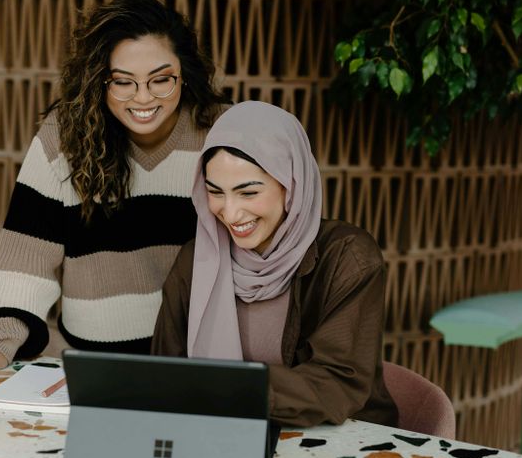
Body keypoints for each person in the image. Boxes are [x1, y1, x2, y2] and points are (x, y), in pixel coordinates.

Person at [0, 0, 228, 377]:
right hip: (91, 365)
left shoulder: (221, 131)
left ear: (184, 74)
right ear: (98, 79)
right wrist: (2, 342)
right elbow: (28, 251)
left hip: (198, 360)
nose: (143, 97)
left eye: (161, 79)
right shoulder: (65, 136)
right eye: (122, 82)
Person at [151, 101, 398, 428]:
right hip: (226, 436)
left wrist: (227, 389)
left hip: (341, 442)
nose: (231, 212)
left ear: (291, 183)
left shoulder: (347, 257)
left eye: (248, 192)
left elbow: (338, 381)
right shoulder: (196, 261)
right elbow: (164, 370)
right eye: (216, 192)